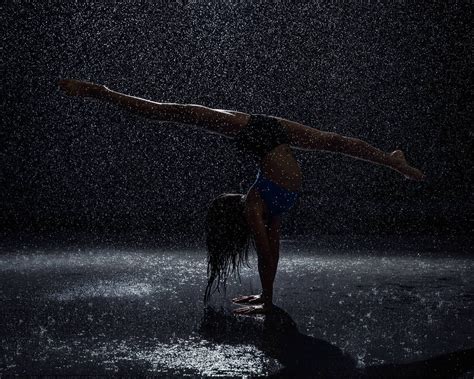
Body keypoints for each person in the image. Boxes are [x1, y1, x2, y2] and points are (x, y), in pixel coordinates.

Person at [58, 79, 424, 315]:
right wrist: (268, 295)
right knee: (334, 142)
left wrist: (266, 298)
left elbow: (265, 250)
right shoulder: (268, 210)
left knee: (175, 113)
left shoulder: (254, 206)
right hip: (267, 134)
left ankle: (100, 92)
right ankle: (391, 160)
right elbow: (273, 245)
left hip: (253, 132)